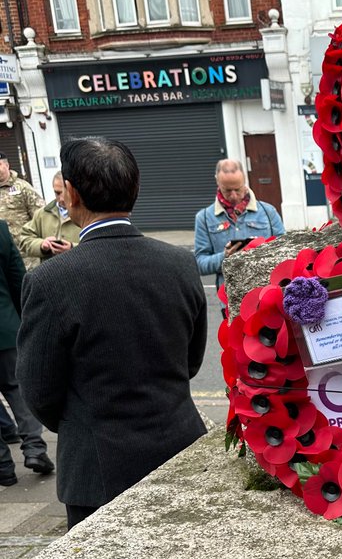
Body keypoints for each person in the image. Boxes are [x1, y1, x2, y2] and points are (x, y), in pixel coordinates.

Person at [17, 137, 207, 529]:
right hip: (181, 449)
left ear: (70, 193)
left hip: (97, 469)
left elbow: (38, 389)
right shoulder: (180, 263)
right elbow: (190, 361)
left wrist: (83, 423)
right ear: (135, 189)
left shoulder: (52, 280)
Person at [0, 220, 54, 486]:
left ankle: (3, 468)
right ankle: (34, 449)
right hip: (5, 327)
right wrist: (23, 322)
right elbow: (17, 279)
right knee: (17, 388)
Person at [194, 159, 284, 290]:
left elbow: (284, 251)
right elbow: (199, 264)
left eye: (238, 189)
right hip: (229, 299)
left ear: (244, 181)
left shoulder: (268, 212)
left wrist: (260, 252)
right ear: (217, 182)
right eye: (227, 190)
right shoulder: (204, 218)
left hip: (266, 294)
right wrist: (225, 257)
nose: (234, 196)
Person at [18, 173, 80, 262]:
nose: (61, 198)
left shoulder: (86, 213)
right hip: (50, 272)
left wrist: (72, 248)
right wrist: (42, 245)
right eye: (57, 193)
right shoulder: (42, 214)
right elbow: (25, 239)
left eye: (65, 192)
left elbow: (97, 244)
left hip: (79, 270)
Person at [0, 151, 43, 269]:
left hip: (25, 255)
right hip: (2, 256)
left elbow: (40, 216)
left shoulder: (23, 188)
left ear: (7, 166)